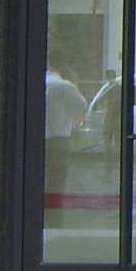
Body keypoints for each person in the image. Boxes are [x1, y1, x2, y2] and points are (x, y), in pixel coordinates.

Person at [44, 68, 88, 203]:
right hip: (57, 139)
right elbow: (81, 107)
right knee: (56, 178)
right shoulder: (65, 86)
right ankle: (53, 206)